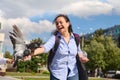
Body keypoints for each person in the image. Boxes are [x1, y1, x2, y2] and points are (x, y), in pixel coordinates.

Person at [25, 14, 89, 80]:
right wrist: (31, 53)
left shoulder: (76, 38)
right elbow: (44, 48)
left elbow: (78, 51)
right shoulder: (55, 38)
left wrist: (82, 57)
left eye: (61, 22)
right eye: (57, 23)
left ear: (68, 23)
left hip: (73, 73)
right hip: (57, 73)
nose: (58, 25)